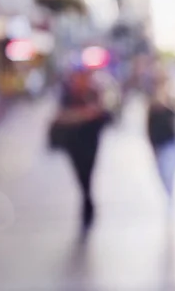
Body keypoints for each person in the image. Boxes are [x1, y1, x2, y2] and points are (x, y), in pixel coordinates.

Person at [54, 69, 108, 230]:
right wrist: (83, 115)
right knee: (80, 173)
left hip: (90, 140)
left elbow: (103, 113)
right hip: (73, 142)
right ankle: (87, 201)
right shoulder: (68, 95)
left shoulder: (94, 92)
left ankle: (87, 204)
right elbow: (61, 115)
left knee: (88, 172)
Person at [147, 73, 175, 210]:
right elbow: (149, 127)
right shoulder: (152, 102)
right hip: (160, 144)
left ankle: (170, 202)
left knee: (169, 174)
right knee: (162, 175)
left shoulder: (172, 99)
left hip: (171, 143)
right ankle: (168, 199)